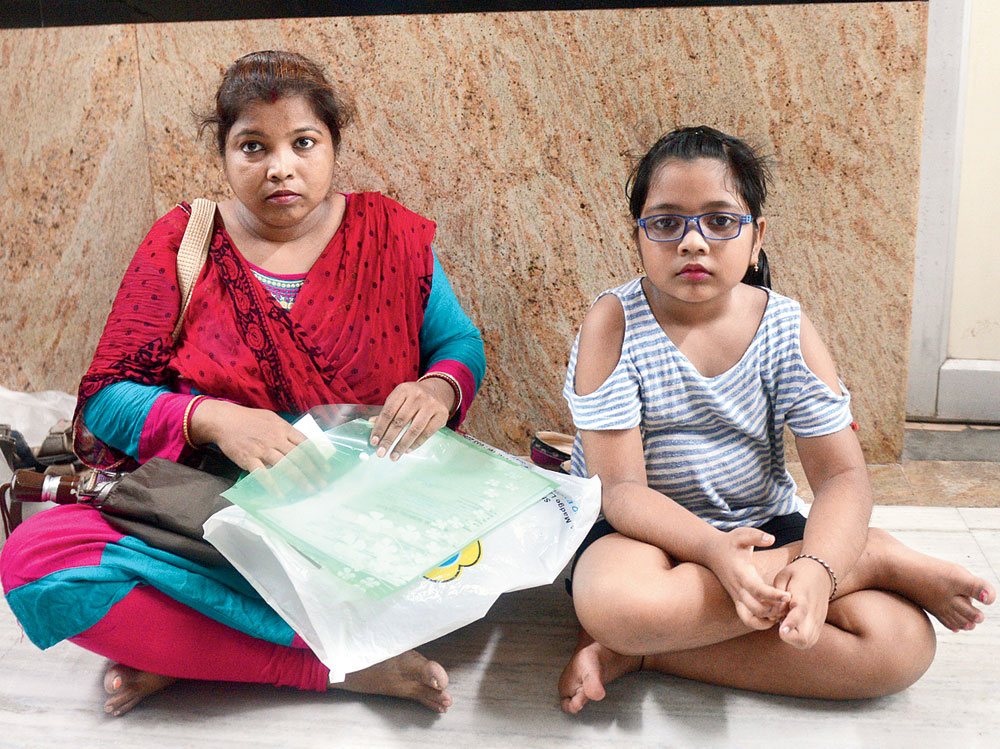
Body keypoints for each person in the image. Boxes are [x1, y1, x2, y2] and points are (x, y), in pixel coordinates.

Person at [1, 50, 485, 716]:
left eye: (303, 142)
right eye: (253, 145)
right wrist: (212, 418)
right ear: (224, 154)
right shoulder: (182, 242)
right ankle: (330, 669)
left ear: (333, 146)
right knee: (37, 560)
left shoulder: (390, 236)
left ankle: (190, 650)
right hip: (213, 515)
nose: (280, 166)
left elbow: (457, 343)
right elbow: (109, 396)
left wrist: (439, 387)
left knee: (476, 564)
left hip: (364, 515)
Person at [557, 126, 995, 713]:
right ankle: (867, 559)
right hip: (642, 537)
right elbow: (623, 493)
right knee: (617, 606)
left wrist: (817, 566)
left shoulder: (784, 328)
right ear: (636, 236)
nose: (693, 242)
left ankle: (645, 651)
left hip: (764, 527)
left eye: (719, 220)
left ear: (757, 236)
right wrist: (715, 552)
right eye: (666, 223)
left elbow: (842, 477)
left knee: (900, 645)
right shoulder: (613, 324)